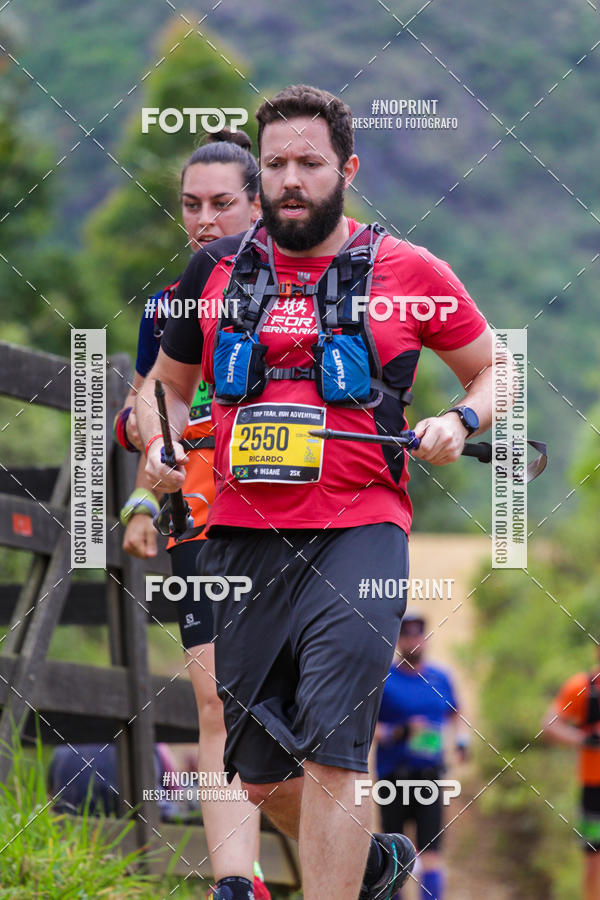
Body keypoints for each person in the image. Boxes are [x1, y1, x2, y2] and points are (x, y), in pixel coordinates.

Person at [137, 83, 498, 900]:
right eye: (275, 164)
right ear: (258, 174)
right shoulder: (215, 270)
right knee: (255, 769)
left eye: (309, 162)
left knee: (336, 743)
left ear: (348, 168)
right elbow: (162, 384)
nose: (290, 179)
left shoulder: (410, 270)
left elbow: (491, 369)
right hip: (237, 532)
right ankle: (368, 865)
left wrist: (460, 421)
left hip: (360, 527)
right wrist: (158, 443)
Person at [113, 130, 269, 900]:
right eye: (190, 205)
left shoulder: (310, 282)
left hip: (303, 522)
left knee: (301, 712)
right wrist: (147, 462)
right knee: (217, 700)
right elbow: (147, 394)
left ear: (260, 201)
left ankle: (360, 861)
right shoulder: (175, 298)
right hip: (201, 519)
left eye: (222, 204)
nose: (204, 220)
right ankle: (236, 884)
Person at [376, 611, 470, 900]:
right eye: (406, 635)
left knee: (432, 854)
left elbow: (456, 714)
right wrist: (400, 732)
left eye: (418, 635)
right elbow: (367, 728)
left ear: (425, 639)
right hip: (393, 775)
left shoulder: (440, 677)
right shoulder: (384, 679)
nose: (413, 641)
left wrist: (462, 741)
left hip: (430, 776)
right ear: (398, 641)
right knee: (395, 856)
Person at [543, 651, 600, 900]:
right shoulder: (583, 688)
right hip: (593, 788)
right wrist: (584, 739)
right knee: (593, 866)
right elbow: (549, 724)